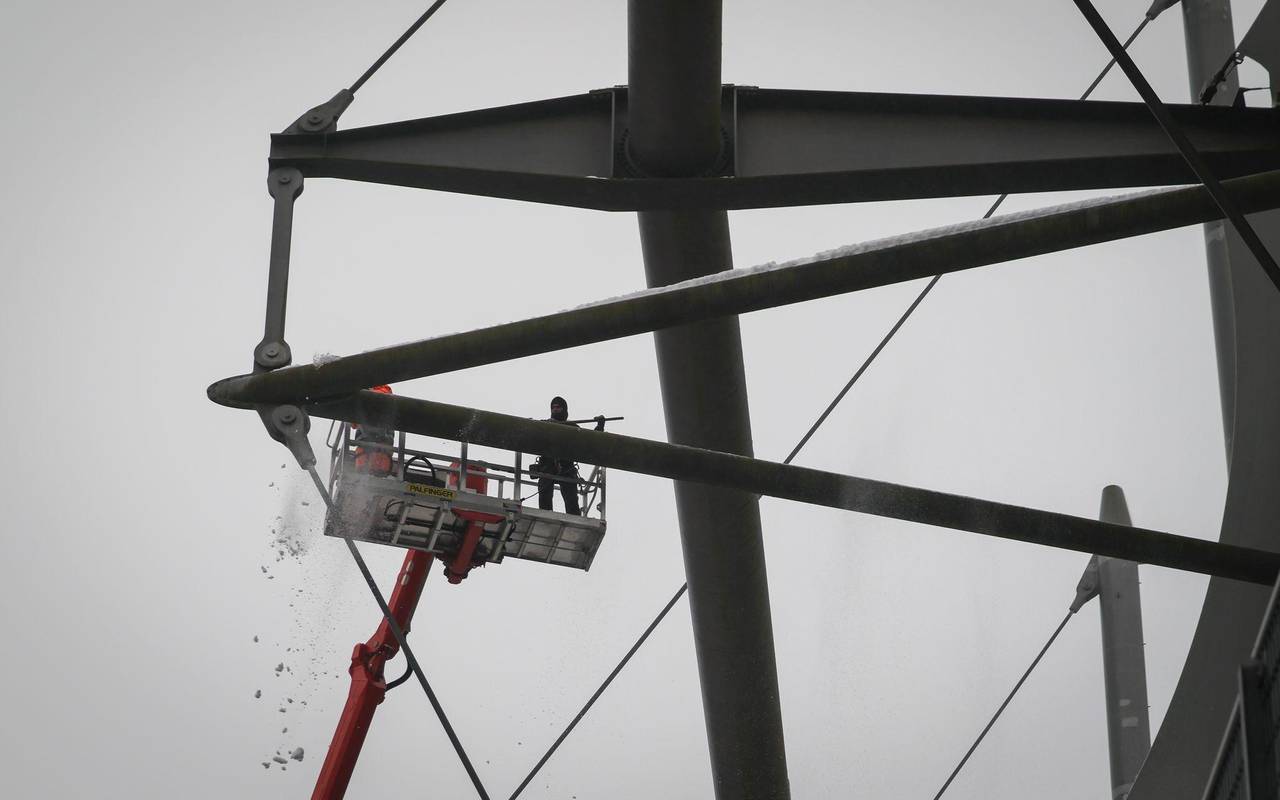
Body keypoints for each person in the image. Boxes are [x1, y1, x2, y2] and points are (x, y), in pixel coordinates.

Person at [533, 396, 605, 515]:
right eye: (553, 408)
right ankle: (545, 515)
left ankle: (574, 516)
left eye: (558, 407)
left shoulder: (572, 429)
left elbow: (590, 443)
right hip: (547, 466)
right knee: (544, 492)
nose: (555, 410)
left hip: (566, 468)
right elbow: (531, 437)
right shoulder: (545, 426)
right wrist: (531, 425)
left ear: (564, 410)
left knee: (571, 499)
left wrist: (599, 427)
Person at [353, 385, 395, 475]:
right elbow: (353, 424)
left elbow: (383, 396)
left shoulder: (383, 389)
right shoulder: (362, 395)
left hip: (381, 446)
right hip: (365, 448)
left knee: (378, 470)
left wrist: (365, 393)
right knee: (362, 475)